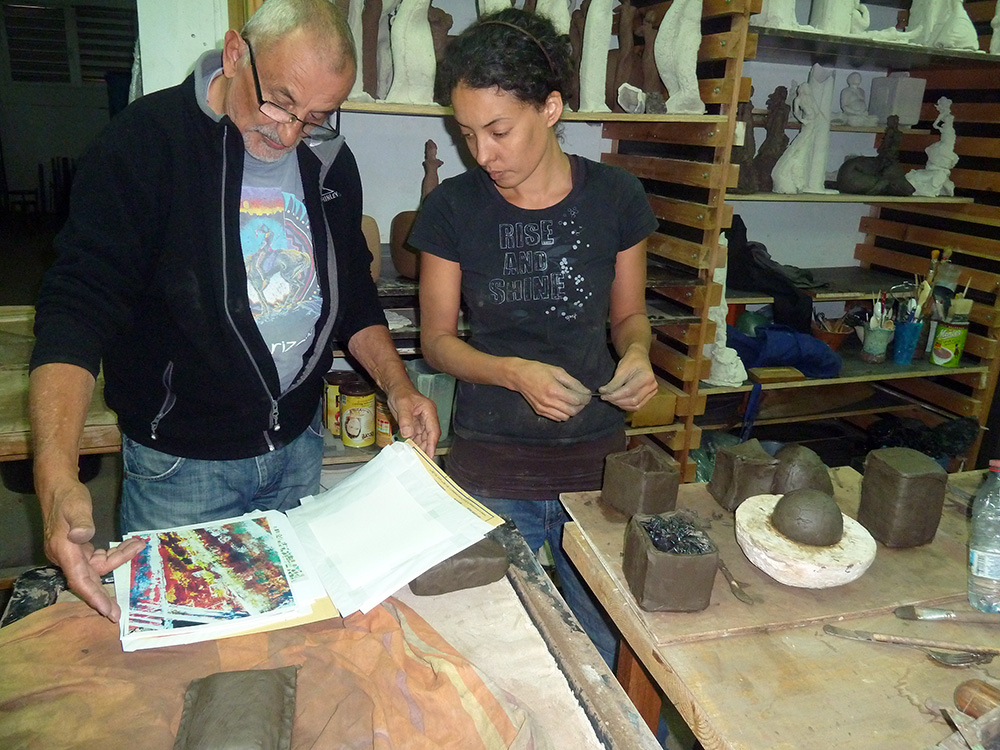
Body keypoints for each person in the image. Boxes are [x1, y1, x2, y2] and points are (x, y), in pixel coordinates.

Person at [29, 0, 440, 623]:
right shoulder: (145, 145)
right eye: (277, 102)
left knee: (285, 635)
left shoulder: (327, 161)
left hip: (298, 450)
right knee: (182, 654)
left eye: (318, 116)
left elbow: (352, 293)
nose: (289, 134)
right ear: (233, 54)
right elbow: (78, 308)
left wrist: (399, 387)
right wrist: (56, 475)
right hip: (183, 469)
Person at [408, 8, 658, 668]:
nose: (482, 155)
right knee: (495, 654)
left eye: (498, 131)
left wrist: (636, 352)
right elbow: (436, 341)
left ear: (550, 108)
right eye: (466, 134)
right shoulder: (453, 209)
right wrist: (513, 372)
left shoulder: (615, 197)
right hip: (493, 466)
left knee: (608, 649)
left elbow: (629, 317)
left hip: (597, 472)